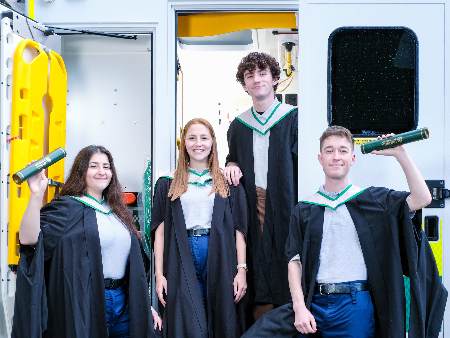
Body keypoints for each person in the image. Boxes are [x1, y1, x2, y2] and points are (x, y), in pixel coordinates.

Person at [243, 126, 447, 337]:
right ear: (320, 158)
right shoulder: (305, 209)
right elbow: (294, 261)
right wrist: (299, 307)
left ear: (352, 158)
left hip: (355, 305)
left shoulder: (373, 201)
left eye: (342, 150)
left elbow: (423, 198)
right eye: (329, 151)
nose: (336, 156)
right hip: (314, 304)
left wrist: (400, 154)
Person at [12, 145, 162, 338]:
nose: (102, 171)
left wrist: (143, 303)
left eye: (106, 167)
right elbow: (30, 240)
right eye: (94, 166)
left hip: (123, 302)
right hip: (85, 301)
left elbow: (135, 266)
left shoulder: (118, 212)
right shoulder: (66, 209)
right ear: (81, 171)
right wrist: (36, 194)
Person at [152, 118, 248, 338]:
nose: (198, 143)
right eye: (192, 138)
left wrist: (241, 270)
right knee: (188, 320)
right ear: (183, 143)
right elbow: (160, 231)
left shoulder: (226, 182)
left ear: (213, 142)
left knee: (220, 314)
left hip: (219, 252)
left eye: (204, 138)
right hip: (181, 253)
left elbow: (238, 229)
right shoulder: (168, 183)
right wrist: (159, 275)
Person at [224, 51, 298, 319]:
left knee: (286, 255)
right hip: (252, 202)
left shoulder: (293, 118)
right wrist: (231, 164)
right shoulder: (238, 125)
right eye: (249, 75)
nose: (256, 79)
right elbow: (232, 157)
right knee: (254, 257)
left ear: (275, 78)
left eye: (263, 73)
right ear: (244, 84)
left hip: (287, 202)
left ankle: (289, 317)